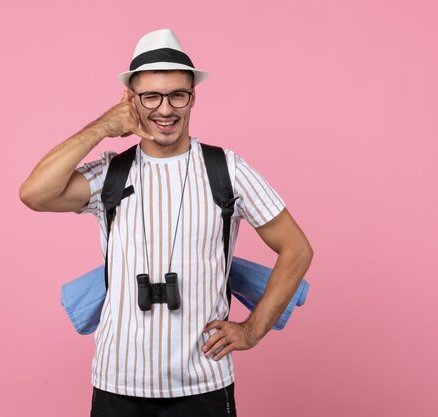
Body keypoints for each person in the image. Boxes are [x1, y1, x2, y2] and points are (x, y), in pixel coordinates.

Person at [19, 29, 313, 417]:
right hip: (117, 382)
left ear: (193, 97)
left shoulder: (227, 169)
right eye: (151, 96)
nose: (165, 109)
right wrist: (104, 126)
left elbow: (297, 249)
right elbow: (34, 194)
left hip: (203, 384)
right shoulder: (110, 174)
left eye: (178, 94)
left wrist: (252, 330)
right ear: (131, 100)